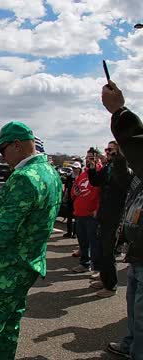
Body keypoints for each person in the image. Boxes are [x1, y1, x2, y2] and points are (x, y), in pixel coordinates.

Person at [0, 121, 62, 359]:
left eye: (2, 150)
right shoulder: (49, 172)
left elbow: (2, 235)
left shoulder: (24, 177)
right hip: (30, 264)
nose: (1, 156)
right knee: (9, 327)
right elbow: (34, 216)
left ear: (17, 145)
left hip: (9, 268)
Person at [101, 81, 143, 359]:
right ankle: (130, 345)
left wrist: (119, 111)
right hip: (136, 252)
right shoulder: (136, 178)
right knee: (133, 307)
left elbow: (138, 145)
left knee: (141, 312)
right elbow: (119, 182)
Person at [88, 140, 129, 297]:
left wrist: (119, 159)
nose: (107, 153)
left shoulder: (124, 169)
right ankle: (104, 280)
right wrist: (92, 168)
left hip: (115, 216)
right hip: (103, 214)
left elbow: (123, 182)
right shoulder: (108, 168)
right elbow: (96, 181)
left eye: (111, 150)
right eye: (107, 150)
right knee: (100, 249)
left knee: (108, 251)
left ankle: (111, 286)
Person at [70, 148, 102, 276]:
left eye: (92, 157)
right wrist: (74, 193)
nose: (89, 159)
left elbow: (103, 193)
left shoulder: (100, 172)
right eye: (87, 157)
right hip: (79, 214)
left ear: (98, 158)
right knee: (82, 242)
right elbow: (74, 190)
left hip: (92, 215)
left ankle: (97, 269)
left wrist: (97, 209)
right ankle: (84, 264)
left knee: (94, 243)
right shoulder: (83, 174)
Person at [63, 162, 82, 239]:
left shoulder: (81, 177)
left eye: (76, 168)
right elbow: (67, 187)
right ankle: (69, 232)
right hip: (70, 199)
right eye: (73, 168)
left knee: (76, 218)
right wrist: (65, 196)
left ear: (79, 169)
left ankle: (75, 233)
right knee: (69, 217)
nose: (74, 170)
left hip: (78, 199)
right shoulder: (70, 177)